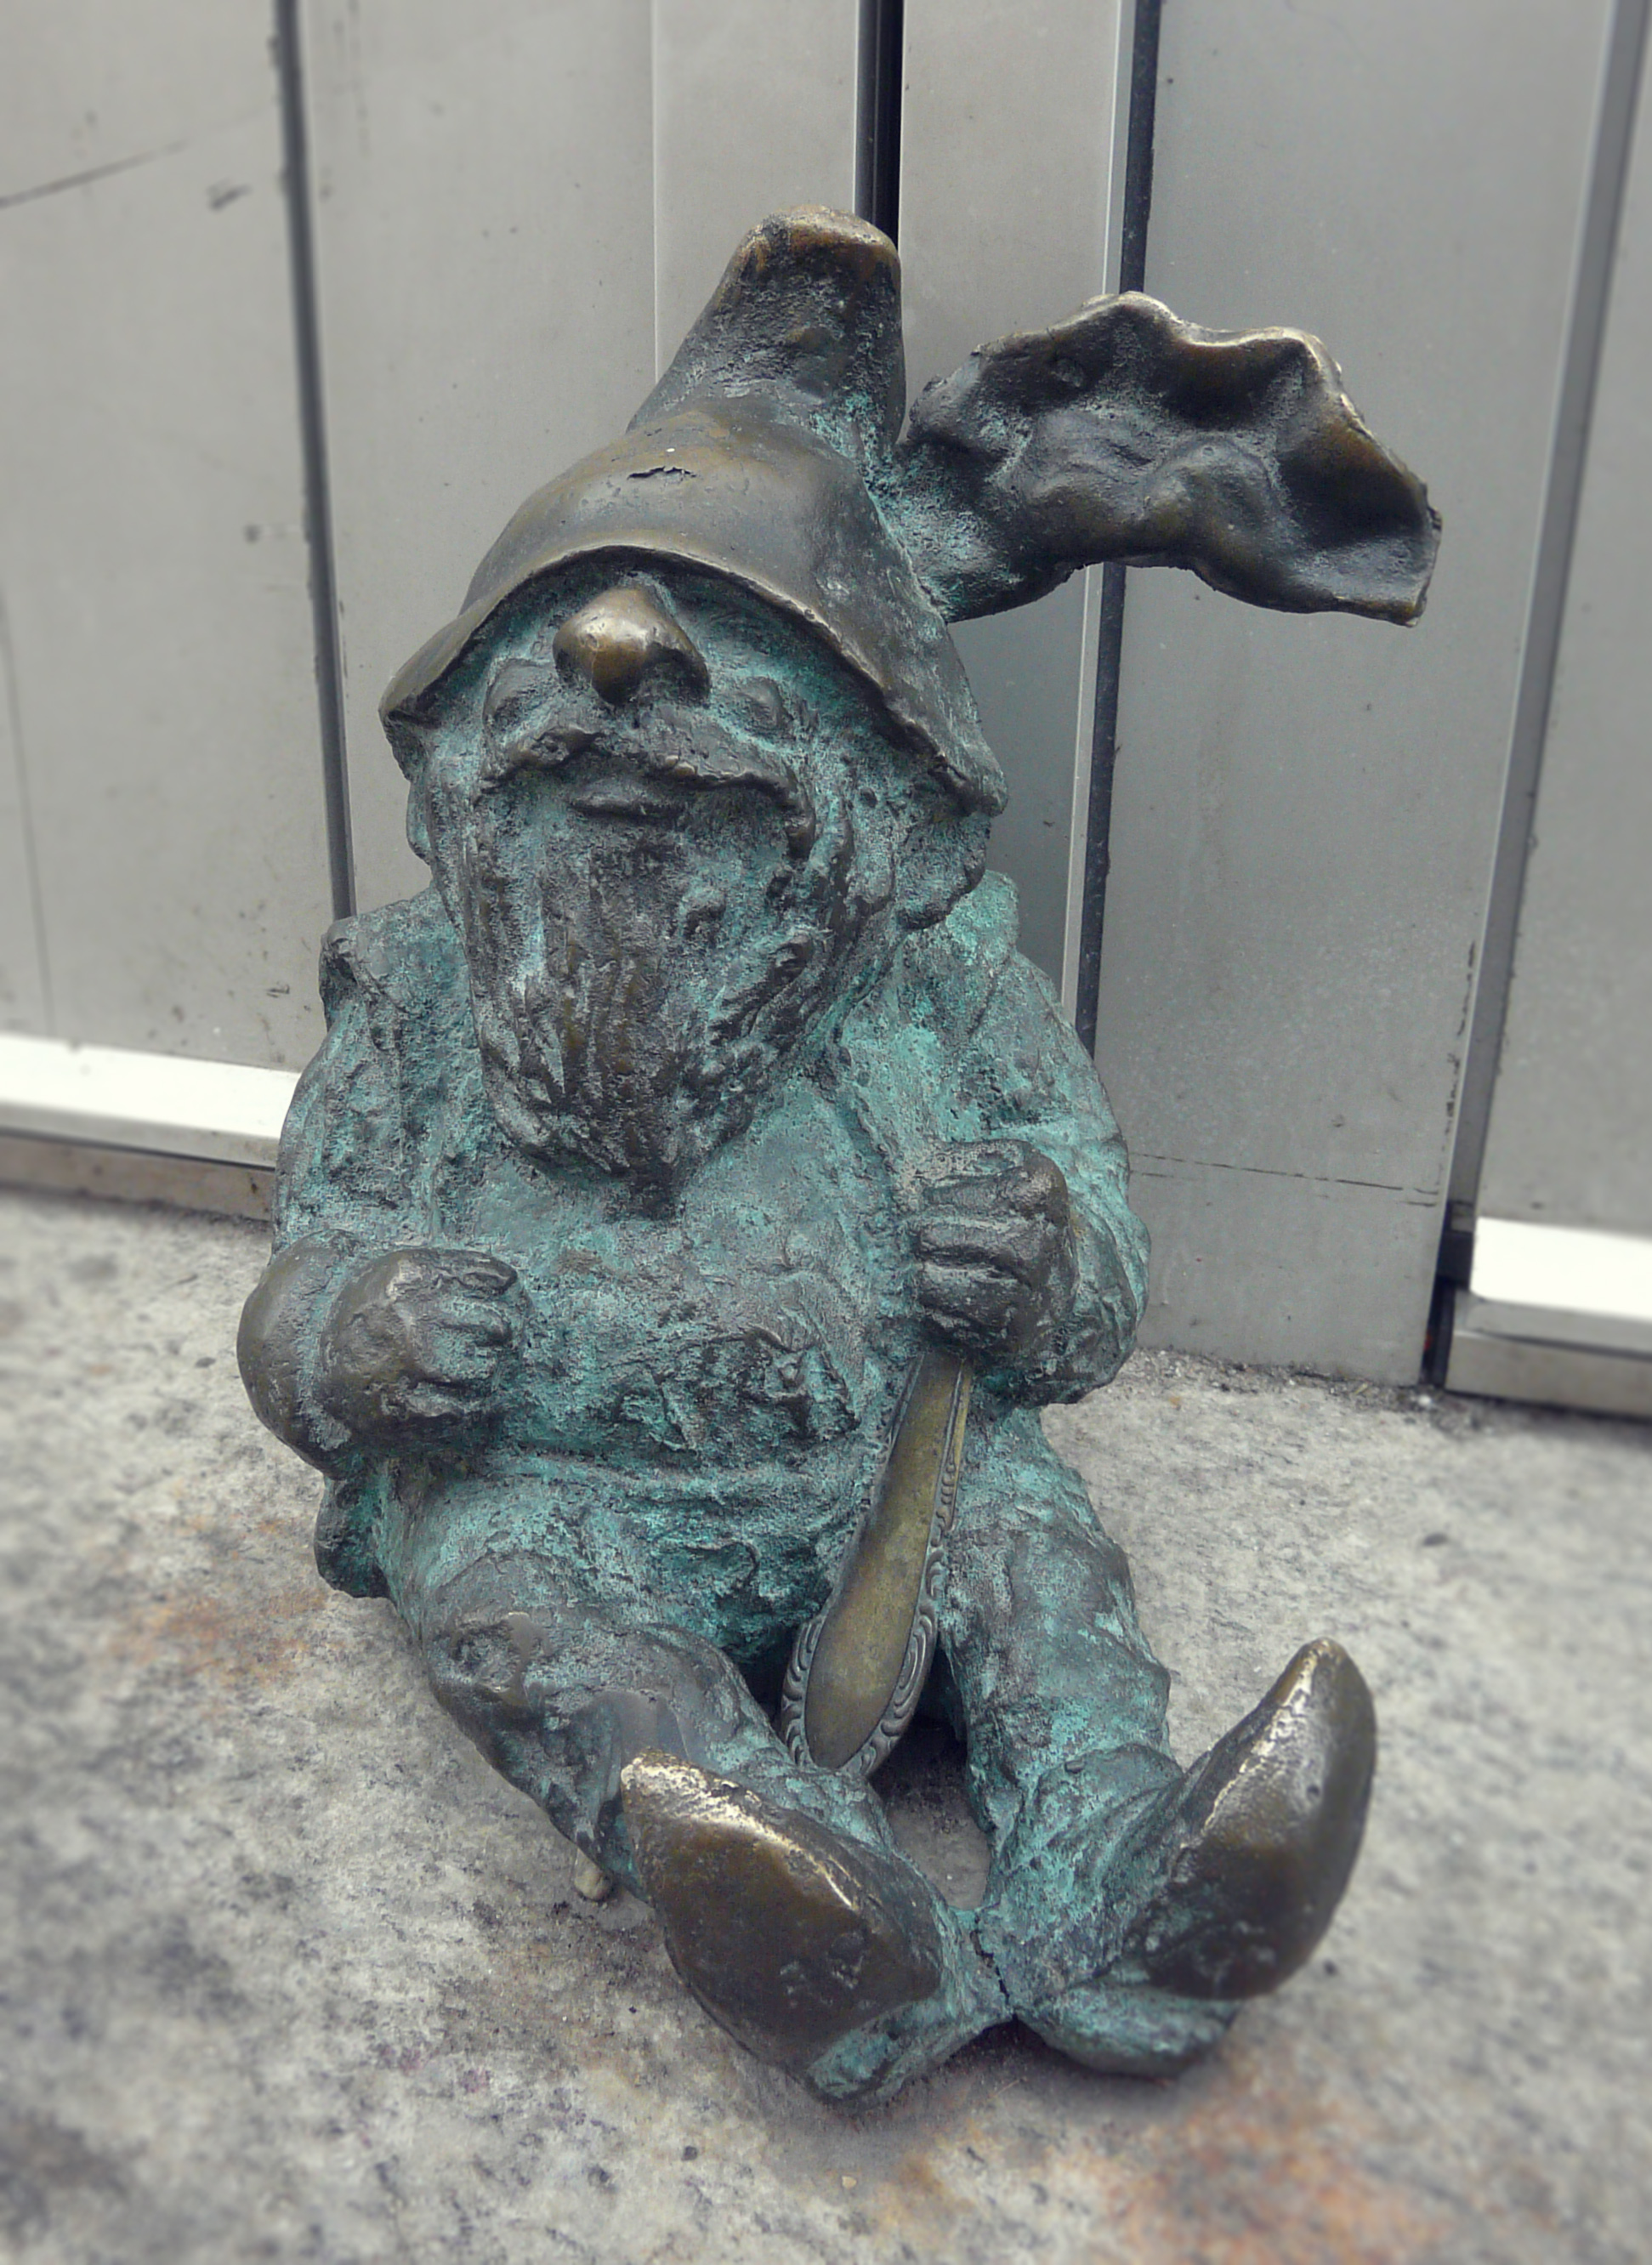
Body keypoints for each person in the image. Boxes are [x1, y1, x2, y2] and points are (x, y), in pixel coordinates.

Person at [241, 209, 1434, 2102]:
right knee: (524, 1619)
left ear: (896, 802)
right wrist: (355, 1337)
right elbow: (303, 1277)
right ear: (451, 759)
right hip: (544, 1488)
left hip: (900, 1471)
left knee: (1034, 1560)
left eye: (748, 658)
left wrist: (1045, 1259)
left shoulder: (938, 991)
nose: (615, 672)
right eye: (544, 645)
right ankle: (799, 1902)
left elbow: (1092, 1252)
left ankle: (1119, 1858)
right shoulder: (412, 1004)